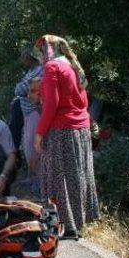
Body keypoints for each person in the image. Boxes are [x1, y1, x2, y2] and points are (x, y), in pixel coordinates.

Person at [33, 34, 100, 239]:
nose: (40, 55)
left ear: (48, 50)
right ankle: (78, 223)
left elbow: (50, 105)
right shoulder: (72, 65)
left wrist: (39, 134)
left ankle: (62, 224)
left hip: (62, 130)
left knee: (58, 178)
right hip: (81, 130)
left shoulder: (52, 68)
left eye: (42, 50)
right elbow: (84, 101)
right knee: (78, 175)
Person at [9, 47, 43, 151]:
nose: (21, 61)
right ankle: (14, 151)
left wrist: (20, 87)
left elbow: (20, 90)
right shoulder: (30, 71)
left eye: (23, 58)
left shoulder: (39, 70)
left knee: (31, 144)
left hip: (34, 111)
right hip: (26, 112)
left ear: (29, 58)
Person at [23, 77, 42, 197]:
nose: (29, 95)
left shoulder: (45, 112)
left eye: (33, 91)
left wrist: (35, 158)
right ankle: (35, 180)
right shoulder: (36, 111)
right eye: (29, 91)